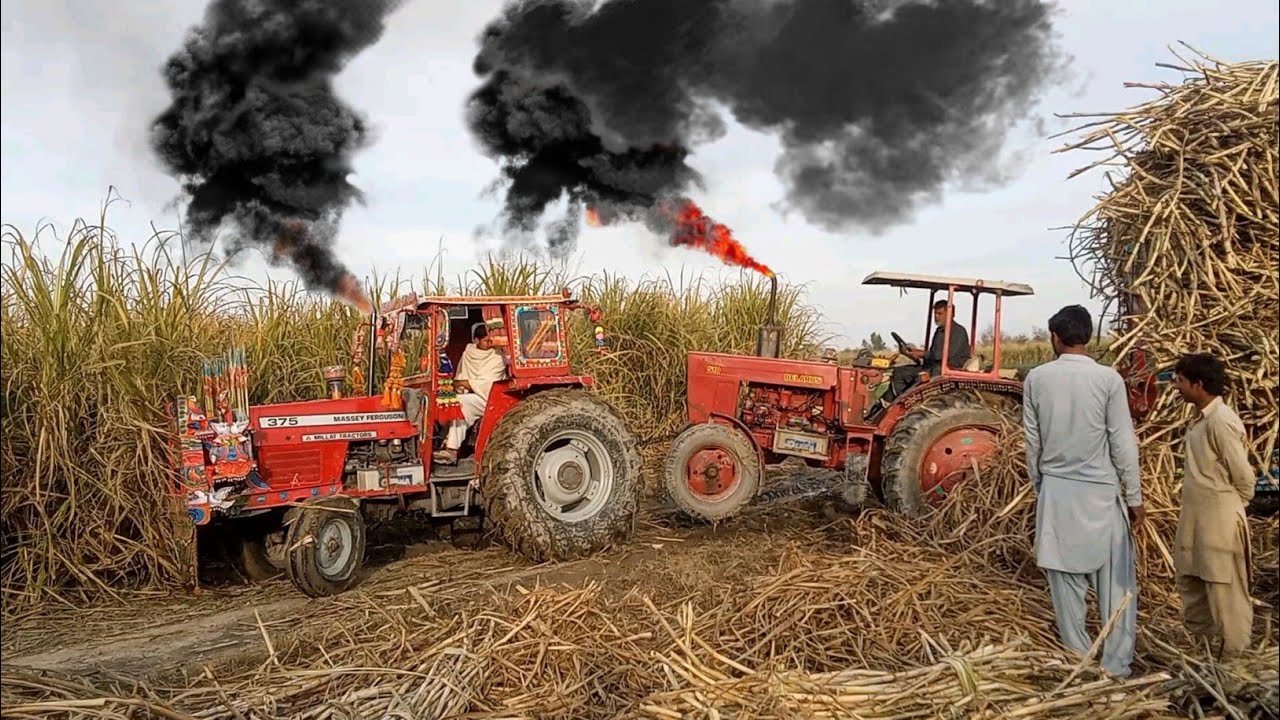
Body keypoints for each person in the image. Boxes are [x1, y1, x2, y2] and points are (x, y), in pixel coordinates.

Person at [1022, 304, 1145, 678]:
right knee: (1116, 589)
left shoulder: (1037, 379)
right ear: (1088, 337)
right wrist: (1135, 496)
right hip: (1102, 496)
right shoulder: (1108, 380)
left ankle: (1078, 662)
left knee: (1066, 587)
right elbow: (1122, 442)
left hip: (1058, 494)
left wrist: (1042, 486)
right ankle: (1116, 666)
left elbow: (1032, 442)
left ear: (1055, 338)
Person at [1171, 353, 1255, 658]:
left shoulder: (1221, 421)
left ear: (1198, 384)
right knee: (1192, 584)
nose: (1176, 387)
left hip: (1218, 523)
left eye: (1181, 381)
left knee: (1225, 594)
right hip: (1195, 520)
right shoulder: (1200, 419)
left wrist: (1228, 510)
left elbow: (1244, 478)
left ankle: (1235, 664)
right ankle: (1204, 660)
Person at [433, 322, 507, 465]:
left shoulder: (497, 356)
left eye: (491, 341)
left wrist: (465, 383)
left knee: (461, 403)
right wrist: (460, 386)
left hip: (489, 399)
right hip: (468, 394)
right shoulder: (468, 352)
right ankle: (443, 443)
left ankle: (452, 450)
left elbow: (489, 384)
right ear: (476, 340)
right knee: (451, 401)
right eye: (486, 341)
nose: (490, 344)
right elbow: (460, 376)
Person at [888, 300, 971, 399]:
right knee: (900, 372)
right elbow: (933, 354)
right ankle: (898, 400)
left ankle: (907, 401)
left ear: (951, 314)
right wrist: (913, 354)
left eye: (940, 314)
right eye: (935, 313)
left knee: (920, 377)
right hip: (935, 367)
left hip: (948, 369)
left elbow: (943, 355)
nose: (936, 316)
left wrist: (921, 354)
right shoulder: (939, 331)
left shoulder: (958, 331)